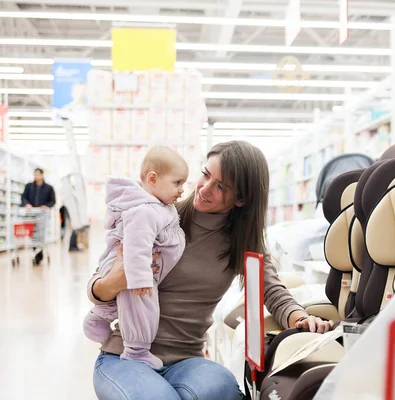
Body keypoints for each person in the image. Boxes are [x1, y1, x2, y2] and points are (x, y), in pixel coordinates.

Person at [88, 141, 334, 400]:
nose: (204, 188)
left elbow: (271, 290)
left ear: (241, 199)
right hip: (125, 356)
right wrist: (114, 281)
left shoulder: (242, 242)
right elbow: (95, 287)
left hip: (187, 361)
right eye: (205, 174)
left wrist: (300, 318)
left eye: (221, 186)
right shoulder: (157, 217)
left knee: (226, 389)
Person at [83, 146, 189, 370]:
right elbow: (136, 247)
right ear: (153, 179)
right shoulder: (144, 211)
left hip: (137, 270)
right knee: (143, 309)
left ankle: (97, 319)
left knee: (127, 303)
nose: (182, 190)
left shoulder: (157, 206)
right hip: (135, 272)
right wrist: (140, 279)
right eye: (177, 183)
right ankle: (136, 351)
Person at [21, 167, 56, 264]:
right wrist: (27, 204)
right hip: (31, 215)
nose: (35, 176)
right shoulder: (29, 186)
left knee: (41, 235)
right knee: (33, 235)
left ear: (42, 175)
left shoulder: (49, 188)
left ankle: (39, 255)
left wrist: (46, 206)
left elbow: (52, 201)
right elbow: (23, 197)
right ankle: (35, 253)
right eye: (34, 174)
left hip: (43, 215)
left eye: (37, 174)